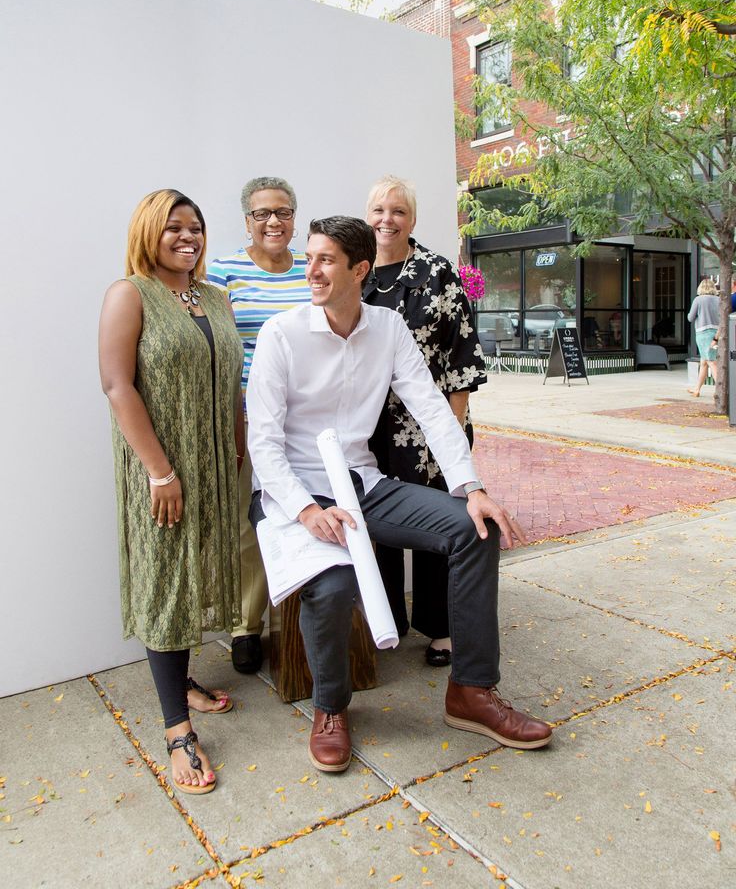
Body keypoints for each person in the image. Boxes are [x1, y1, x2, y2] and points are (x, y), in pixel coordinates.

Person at [246, 216, 552, 773]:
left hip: (362, 484)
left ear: (360, 270)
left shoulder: (387, 328)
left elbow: (432, 408)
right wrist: (307, 510)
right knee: (335, 584)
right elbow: (263, 443)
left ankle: (471, 692)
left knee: (473, 530)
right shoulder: (281, 334)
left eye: (325, 260)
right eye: (309, 257)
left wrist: (472, 487)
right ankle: (331, 709)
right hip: (293, 494)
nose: (310, 270)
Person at [99, 189, 244, 796]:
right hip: (163, 470)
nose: (189, 237)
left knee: (196, 573)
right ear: (147, 233)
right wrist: (160, 470)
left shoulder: (213, 297)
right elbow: (117, 386)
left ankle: (183, 680)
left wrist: (240, 444)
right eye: (174, 228)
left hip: (213, 466)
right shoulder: (129, 294)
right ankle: (175, 728)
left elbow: (232, 378)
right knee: (167, 580)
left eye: (197, 227)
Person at [362, 176, 486, 667]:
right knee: (381, 525)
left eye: (397, 211)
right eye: (378, 209)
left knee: (439, 526)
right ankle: (387, 619)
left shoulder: (436, 272)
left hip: (432, 426)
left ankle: (440, 628)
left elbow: (460, 357)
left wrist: (451, 433)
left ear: (412, 219)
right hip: (371, 428)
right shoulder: (361, 273)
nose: (386, 219)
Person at [208, 176, 310, 676]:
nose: (273, 222)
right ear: (246, 220)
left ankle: (295, 624)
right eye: (262, 213)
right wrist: (234, 421)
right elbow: (223, 355)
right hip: (249, 417)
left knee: (307, 515)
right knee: (254, 521)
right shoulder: (224, 271)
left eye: (283, 212)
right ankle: (246, 626)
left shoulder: (312, 269)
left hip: (308, 419)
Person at [687, 278, 720, 398]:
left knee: (712, 362)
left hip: (703, 334)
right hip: (716, 333)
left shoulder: (698, 299)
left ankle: (720, 391)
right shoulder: (718, 299)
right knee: (704, 363)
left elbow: (690, 318)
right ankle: (697, 389)